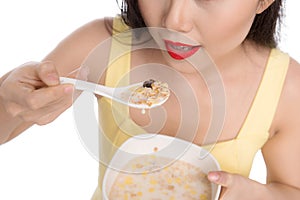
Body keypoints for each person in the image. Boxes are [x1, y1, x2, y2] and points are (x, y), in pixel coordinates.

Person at [1, 0, 300, 199]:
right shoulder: (104, 46)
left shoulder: (285, 86)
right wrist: (10, 101)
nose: (174, 20)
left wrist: (261, 195)